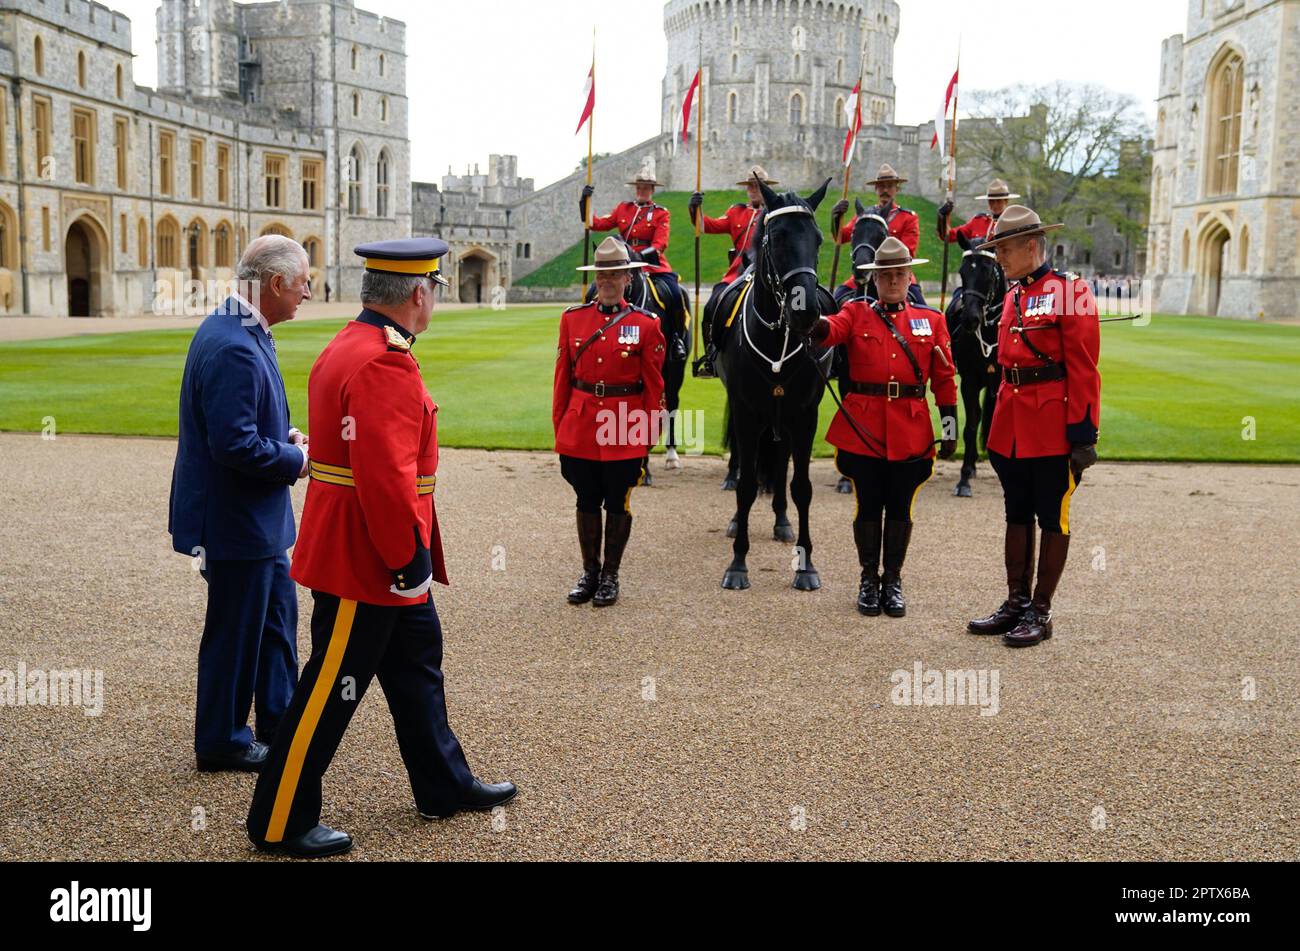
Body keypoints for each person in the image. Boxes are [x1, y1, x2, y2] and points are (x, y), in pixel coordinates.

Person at [247, 238, 516, 858]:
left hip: (363, 544)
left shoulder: (353, 342)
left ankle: (443, 784)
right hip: (368, 556)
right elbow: (388, 477)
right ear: (419, 294)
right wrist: (406, 555)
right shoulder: (385, 360)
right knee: (328, 687)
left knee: (417, 662)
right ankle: (279, 817)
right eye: (436, 289)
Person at [169, 235, 311, 773]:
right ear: (274, 284)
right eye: (301, 283)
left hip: (257, 519)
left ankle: (279, 721)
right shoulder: (233, 342)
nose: (306, 293)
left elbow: (246, 422)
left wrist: (284, 434)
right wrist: (295, 460)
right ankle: (223, 741)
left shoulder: (241, 328)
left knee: (275, 621)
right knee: (237, 631)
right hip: (237, 520)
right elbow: (233, 446)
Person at [966, 206, 1101, 648]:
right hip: (1011, 424)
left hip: (1052, 425)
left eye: (1003, 249)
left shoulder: (1070, 291)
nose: (999, 257)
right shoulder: (1012, 295)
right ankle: (1014, 603)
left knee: (1051, 517)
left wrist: (1083, 434)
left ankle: (1040, 612)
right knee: (1015, 512)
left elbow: (1083, 368)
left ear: (1030, 246)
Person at [809, 237, 957, 618]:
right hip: (865, 427)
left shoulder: (933, 321)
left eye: (899, 274)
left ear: (910, 277)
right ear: (873, 280)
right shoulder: (855, 313)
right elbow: (830, 330)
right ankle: (867, 580)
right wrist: (809, 316)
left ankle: (892, 580)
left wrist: (950, 425)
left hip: (911, 427)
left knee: (902, 508)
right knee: (868, 505)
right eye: (885, 275)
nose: (892, 281)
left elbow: (943, 378)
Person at [554, 237, 666, 608]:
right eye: (602, 273)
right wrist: (561, 425)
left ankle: (610, 575)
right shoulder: (572, 320)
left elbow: (654, 384)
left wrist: (650, 430)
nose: (607, 280)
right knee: (586, 499)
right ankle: (589, 571)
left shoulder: (646, 324)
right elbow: (562, 379)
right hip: (582, 423)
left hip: (625, 424)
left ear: (627, 278)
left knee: (617, 500)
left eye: (615, 273)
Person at [580, 166, 688, 361]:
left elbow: (660, 243)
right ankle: (586, 332)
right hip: (622, 263)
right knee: (591, 292)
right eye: (639, 187)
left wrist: (638, 259)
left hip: (651, 264)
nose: (642, 191)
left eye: (646, 187)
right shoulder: (624, 208)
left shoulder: (661, 213)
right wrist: (585, 204)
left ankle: (675, 339)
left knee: (674, 293)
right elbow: (596, 224)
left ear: (652, 190)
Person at [688, 166, 774, 378]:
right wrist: (695, 210)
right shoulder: (736, 212)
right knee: (711, 305)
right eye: (750, 186)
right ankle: (711, 356)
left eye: (757, 186)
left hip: (768, 271)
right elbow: (707, 226)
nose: (754, 190)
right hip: (738, 271)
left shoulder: (774, 212)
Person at [831, 163, 926, 306]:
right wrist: (836, 217)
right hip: (864, 272)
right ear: (876, 189)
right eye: (881, 186)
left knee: (921, 306)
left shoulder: (908, 217)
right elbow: (842, 237)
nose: (885, 190)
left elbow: (909, 252)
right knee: (835, 299)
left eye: (890, 186)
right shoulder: (865, 216)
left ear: (896, 189)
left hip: (897, 274)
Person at [937, 178, 1019, 244]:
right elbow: (948, 236)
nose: (995, 205)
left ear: (1006, 201)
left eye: (998, 201)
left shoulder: (1014, 224)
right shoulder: (978, 222)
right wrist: (943, 218)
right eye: (991, 201)